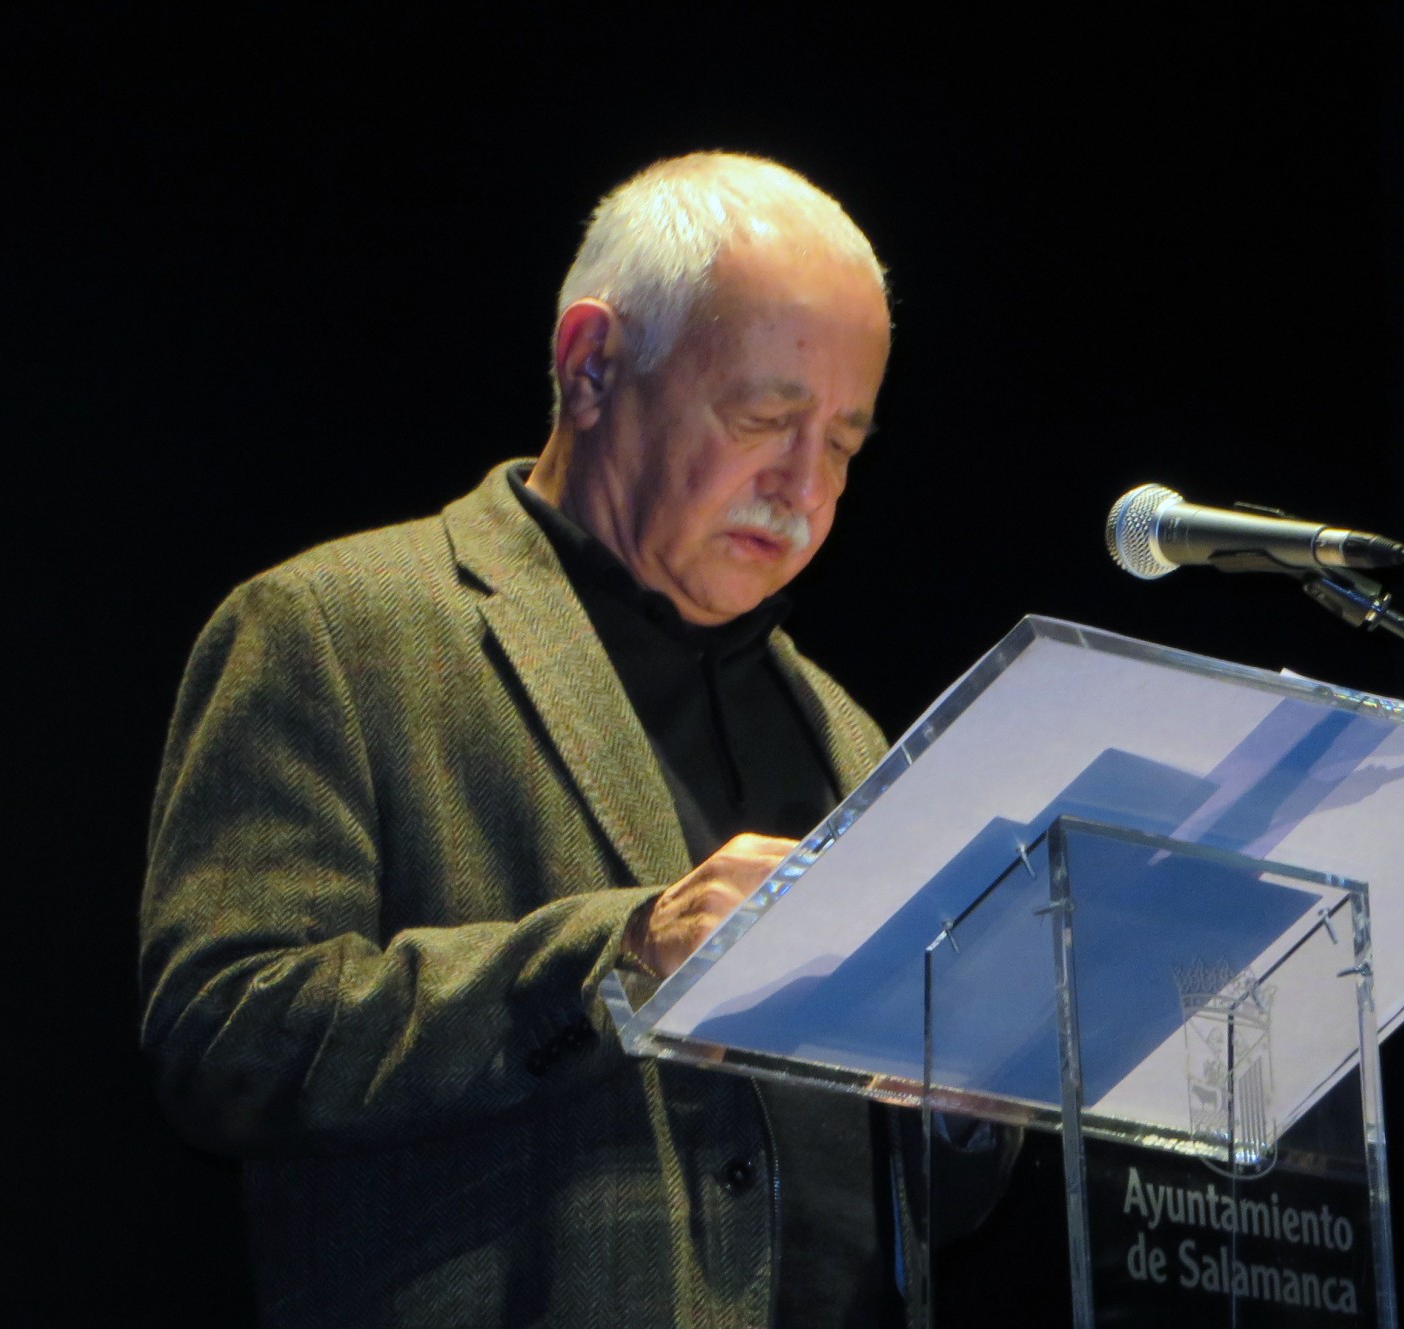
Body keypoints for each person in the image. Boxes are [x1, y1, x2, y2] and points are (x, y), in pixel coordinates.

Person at [140, 152, 1007, 1328]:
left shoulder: (849, 737)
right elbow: (226, 1036)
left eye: (846, 446)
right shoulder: (338, 632)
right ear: (591, 365)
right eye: (765, 418)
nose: (804, 488)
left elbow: (901, 1206)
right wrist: (625, 952)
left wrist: (970, 1089)